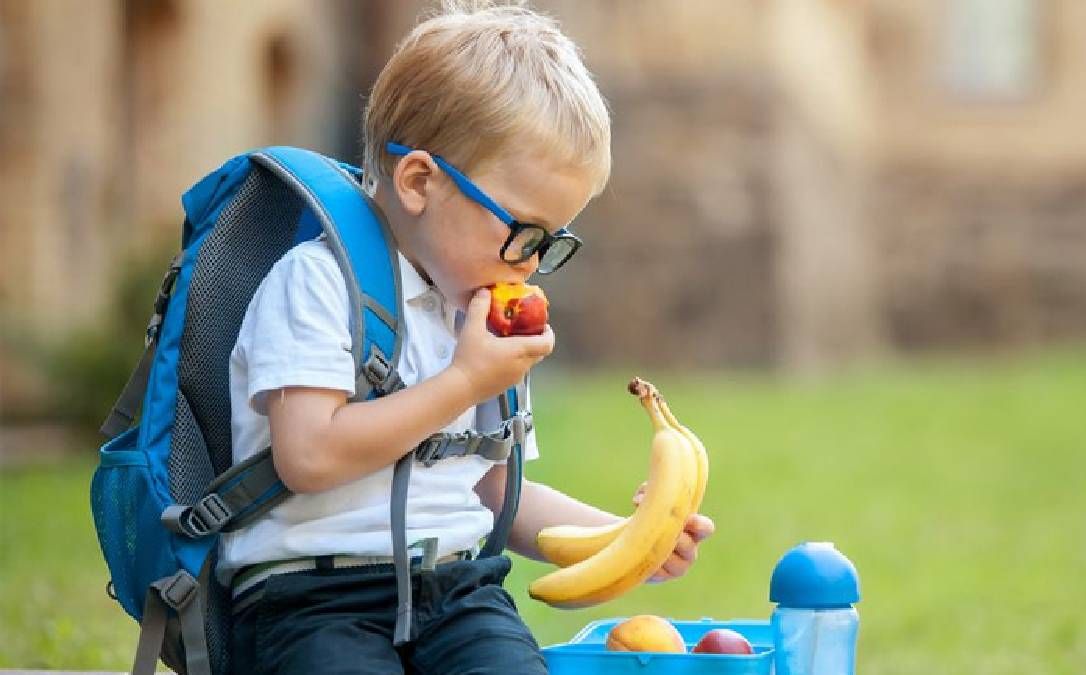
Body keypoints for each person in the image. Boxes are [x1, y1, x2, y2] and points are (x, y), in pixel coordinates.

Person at [219, 2, 715, 673]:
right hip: (311, 596)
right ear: (420, 182)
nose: (532, 262)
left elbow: (494, 491)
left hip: (457, 592)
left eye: (551, 241)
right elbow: (307, 454)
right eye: (522, 231)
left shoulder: (478, 314)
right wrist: (463, 381)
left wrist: (628, 538)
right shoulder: (317, 282)